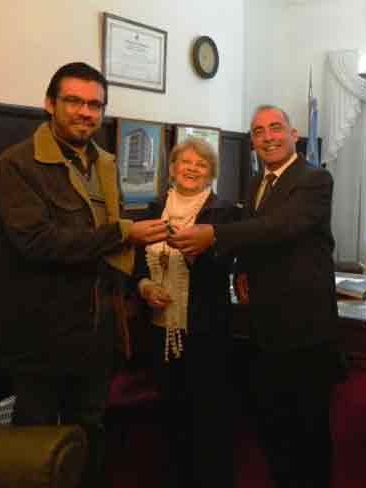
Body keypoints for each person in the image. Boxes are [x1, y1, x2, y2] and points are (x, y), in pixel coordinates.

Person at [0, 62, 168, 486]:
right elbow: (37, 242)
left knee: (89, 435)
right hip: (41, 334)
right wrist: (124, 232)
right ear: (49, 104)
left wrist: (135, 284)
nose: (85, 112)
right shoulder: (17, 164)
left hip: (97, 330)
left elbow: (105, 248)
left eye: (95, 104)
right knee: (34, 447)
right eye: (74, 101)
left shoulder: (103, 163)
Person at [169, 105, 340, 488]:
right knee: (274, 422)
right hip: (265, 324)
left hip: (305, 326)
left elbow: (283, 226)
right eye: (259, 132)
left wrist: (214, 235)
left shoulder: (314, 179)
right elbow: (254, 230)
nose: (268, 137)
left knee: (309, 427)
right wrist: (242, 266)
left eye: (275, 128)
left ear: (294, 134)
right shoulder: (256, 182)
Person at [134, 138, 238, 488]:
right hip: (159, 327)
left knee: (208, 413)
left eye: (201, 164)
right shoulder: (154, 207)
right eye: (185, 162)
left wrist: (196, 253)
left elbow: (227, 266)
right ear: (174, 167)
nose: (192, 168)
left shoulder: (223, 212)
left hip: (205, 329)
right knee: (171, 409)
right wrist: (146, 288)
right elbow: (136, 267)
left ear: (211, 173)